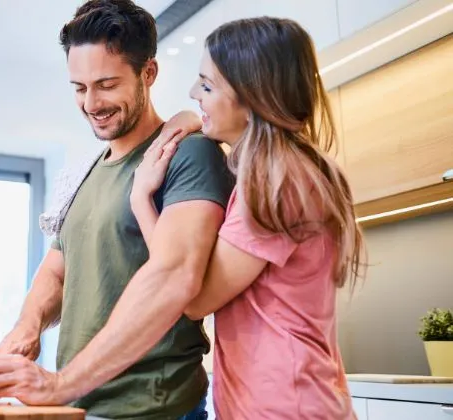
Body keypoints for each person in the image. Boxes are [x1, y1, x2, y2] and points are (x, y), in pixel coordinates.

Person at [0, 1, 234, 418]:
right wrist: (28, 326)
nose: (91, 103)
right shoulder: (84, 173)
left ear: (148, 74)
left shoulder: (188, 154)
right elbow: (58, 270)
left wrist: (60, 384)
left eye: (107, 84)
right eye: (79, 88)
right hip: (80, 408)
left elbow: (175, 278)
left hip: (154, 409)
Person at [131, 17, 367, 420]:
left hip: (280, 407)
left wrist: (141, 200)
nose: (193, 93)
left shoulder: (278, 183)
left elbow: (194, 297)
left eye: (206, 86)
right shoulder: (289, 171)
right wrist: (196, 121)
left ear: (250, 98)